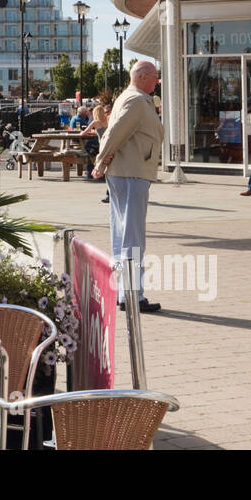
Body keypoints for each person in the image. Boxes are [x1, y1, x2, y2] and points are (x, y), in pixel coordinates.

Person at [93, 61, 162, 313]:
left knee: (122, 236)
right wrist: (101, 161)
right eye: (155, 77)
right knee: (131, 238)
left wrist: (103, 161)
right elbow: (115, 133)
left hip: (128, 173)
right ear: (143, 76)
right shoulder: (135, 100)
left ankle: (125, 293)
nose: (157, 81)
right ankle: (133, 295)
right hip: (132, 174)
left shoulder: (132, 97)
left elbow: (115, 132)